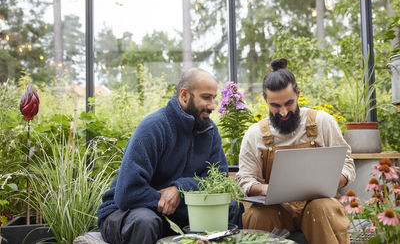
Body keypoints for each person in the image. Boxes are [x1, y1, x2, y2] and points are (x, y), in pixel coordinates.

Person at [97, 68, 243, 244]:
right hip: (125, 212)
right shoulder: (153, 127)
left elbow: (218, 180)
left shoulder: (210, 131)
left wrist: (180, 190)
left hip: (177, 212)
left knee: (231, 208)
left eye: (214, 98)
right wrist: (165, 199)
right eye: (206, 97)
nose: (212, 105)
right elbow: (127, 193)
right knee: (146, 220)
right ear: (184, 95)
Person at [236, 58, 356, 244]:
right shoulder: (255, 134)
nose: (283, 112)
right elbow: (245, 180)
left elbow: (347, 166)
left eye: (289, 103)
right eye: (275, 106)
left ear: (298, 94)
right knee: (258, 216)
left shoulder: (322, 122)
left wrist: (329, 182)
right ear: (265, 99)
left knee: (321, 208)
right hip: (276, 209)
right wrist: (265, 188)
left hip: (317, 206)